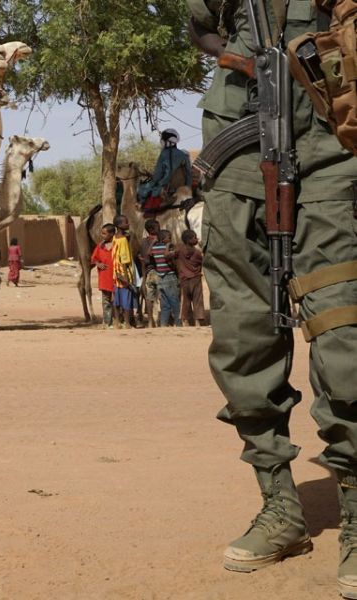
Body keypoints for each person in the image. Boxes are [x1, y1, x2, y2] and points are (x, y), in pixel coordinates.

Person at [189, 1, 357, 591]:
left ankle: (356, 512)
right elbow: (201, 22)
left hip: (336, 126)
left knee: (343, 328)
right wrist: (238, 54)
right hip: (238, 133)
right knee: (242, 329)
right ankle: (280, 506)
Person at [137, 128, 192, 210]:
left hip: (166, 187)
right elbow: (189, 174)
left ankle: (141, 208)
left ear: (167, 141)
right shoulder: (184, 155)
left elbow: (157, 176)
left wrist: (153, 181)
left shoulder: (163, 154)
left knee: (141, 190)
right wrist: (188, 187)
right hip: (183, 188)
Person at [149, 230, 181, 327]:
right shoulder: (168, 248)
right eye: (169, 237)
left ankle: (163, 324)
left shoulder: (155, 248)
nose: (171, 239)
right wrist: (169, 246)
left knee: (165, 304)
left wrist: (153, 242)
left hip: (160, 277)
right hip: (169, 276)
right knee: (174, 301)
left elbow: (149, 253)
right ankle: (178, 323)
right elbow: (169, 255)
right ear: (163, 239)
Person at [111, 216, 137, 329]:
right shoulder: (123, 240)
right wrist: (127, 278)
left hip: (115, 273)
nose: (128, 224)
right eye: (126, 222)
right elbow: (125, 260)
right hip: (124, 273)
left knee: (116, 300)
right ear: (119, 225)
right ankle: (127, 323)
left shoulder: (114, 237)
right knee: (126, 300)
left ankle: (117, 322)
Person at [177, 229, 206, 327]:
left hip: (184, 279)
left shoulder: (179, 250)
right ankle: (198, 320)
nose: (197, 239)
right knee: (197, 300)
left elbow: (169, 256)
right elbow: (202, 262)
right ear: (189, 240)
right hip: (195, 278)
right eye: (194, 237)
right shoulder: (197, 253)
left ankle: (185, 320)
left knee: (186, 300)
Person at [91, 223, 116, 328]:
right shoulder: (100, 246)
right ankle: (107, 322)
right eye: (102, 233)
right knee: (106, 301)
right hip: (104, 278)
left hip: (116, 278)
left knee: (116, 301)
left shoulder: (117, 245)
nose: (102, 235)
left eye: (104, 233)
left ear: (112, 234)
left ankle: (117, 321)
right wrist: (98, 264)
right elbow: (94, 258)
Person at [138, 218, 160, 327]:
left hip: (147, 273)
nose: (160, 229)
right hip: (157, 272)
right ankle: (158, 320)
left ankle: (151, 321)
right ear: (152, 230)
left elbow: (142, 260)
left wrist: (143, 278)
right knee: (161, 297)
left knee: (150, 298)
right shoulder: (158, 241)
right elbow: (147, 257)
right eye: (158, 228)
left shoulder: (142, 242)